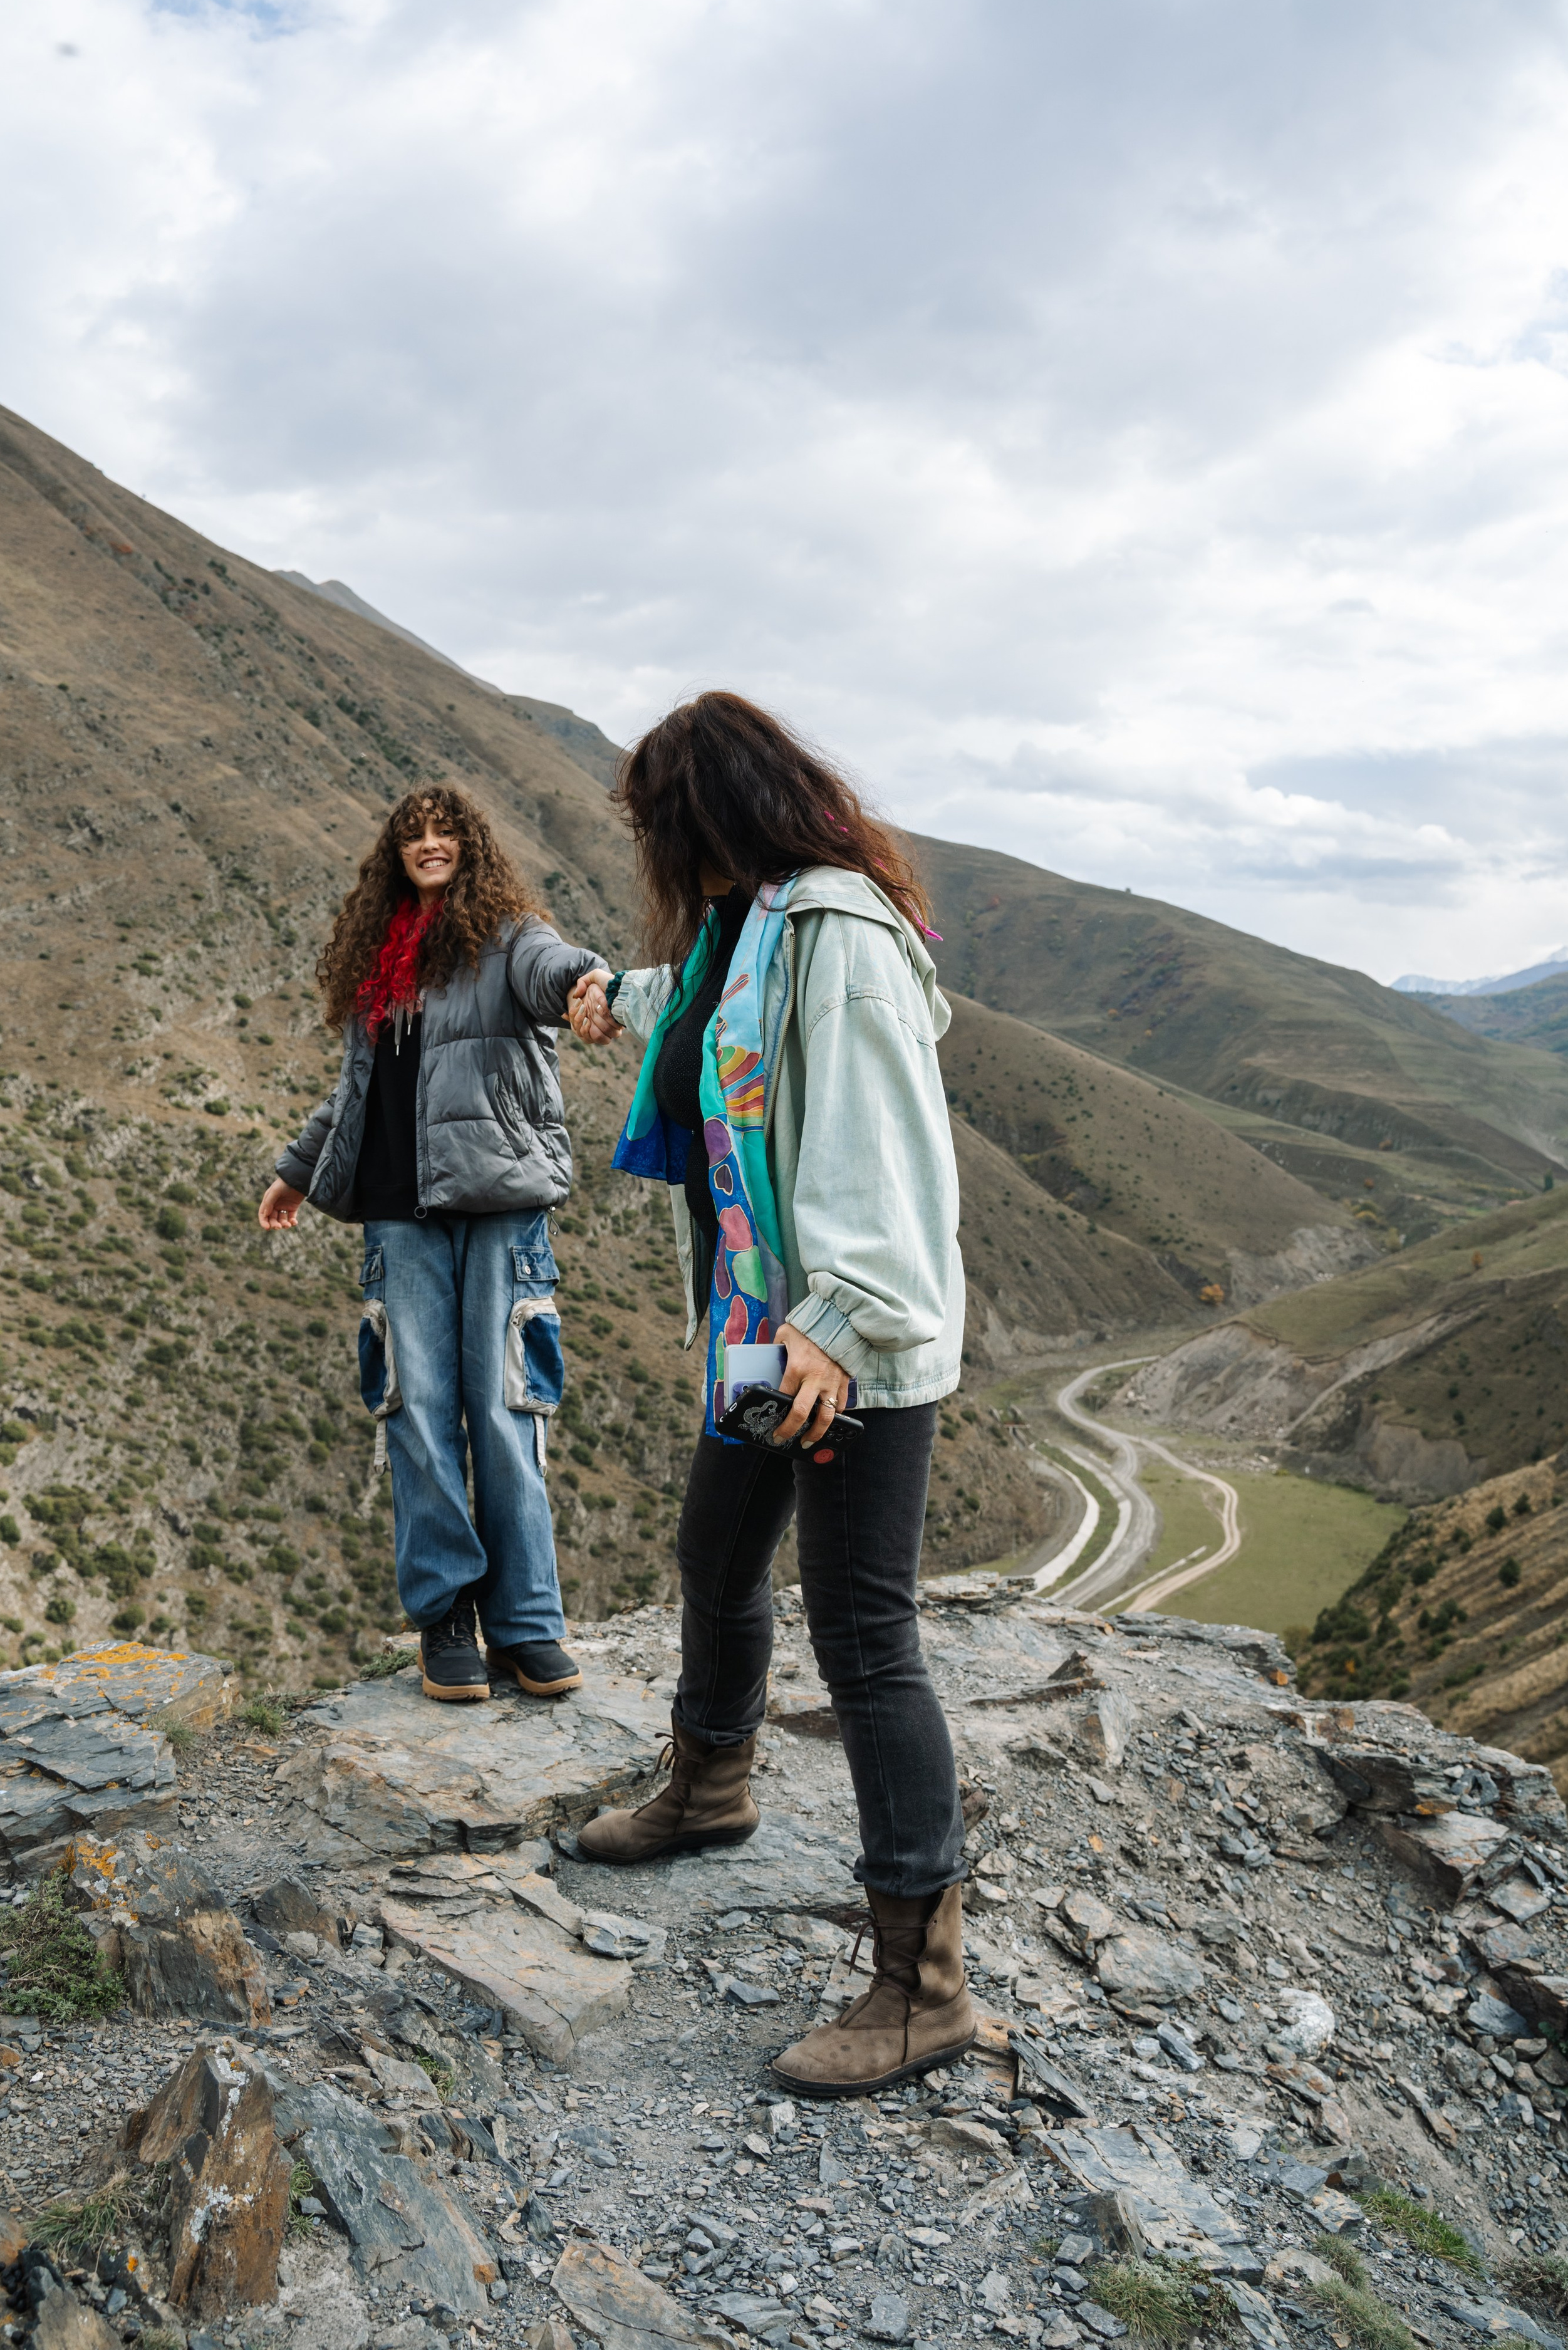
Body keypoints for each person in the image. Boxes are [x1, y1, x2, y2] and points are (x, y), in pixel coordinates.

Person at [565, 692, 974, 2099]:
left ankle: (923, 1988)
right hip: (760, 1328)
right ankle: (709, 1788)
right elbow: (699, 1015)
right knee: (717, 1552)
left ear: (707, 813)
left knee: (863, 1634)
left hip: (836, 1346)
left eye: (653, 822)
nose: (649, 849)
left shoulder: (838, 931)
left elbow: (877, 1139)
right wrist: (606, 997)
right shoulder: (749, 925)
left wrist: (840, 1320)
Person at [257, 784, 610, 1707]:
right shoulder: (381, 959)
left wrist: (585, 984)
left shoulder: (511, 935)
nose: (429, 843)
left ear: (471, 845)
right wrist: (297, 1170)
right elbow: (359, 1090)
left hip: (500, 1205)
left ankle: (526, 1624)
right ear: (395, 853)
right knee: (416, 1410)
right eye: (413, 833)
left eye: (445, 830)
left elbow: (553, 969)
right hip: (397, 1210)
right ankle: (447, 1618)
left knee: (505, 1406)